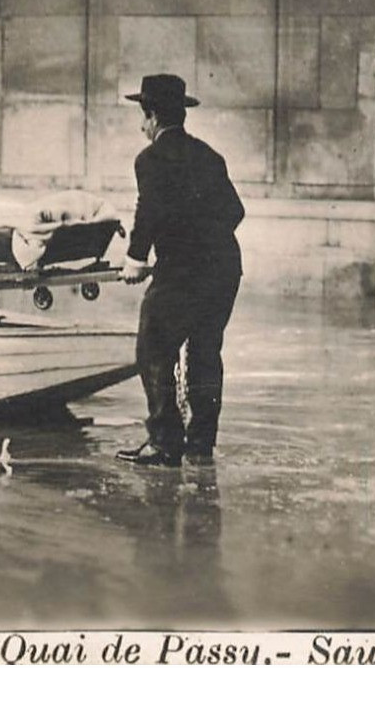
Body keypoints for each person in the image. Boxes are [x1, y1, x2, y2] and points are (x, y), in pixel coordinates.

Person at [116, 74, 244, 468]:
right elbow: (235, 211)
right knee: (206, 353)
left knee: (154, 347)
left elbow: (149, 212)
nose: (142, 126)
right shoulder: (209, 156)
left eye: (143, 116)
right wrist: (202, 235)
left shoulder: (150, 159)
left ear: (152, 115)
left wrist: (135, 259)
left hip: (182, 270)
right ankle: (201, 443)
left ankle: (164, 441)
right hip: (224, 267)